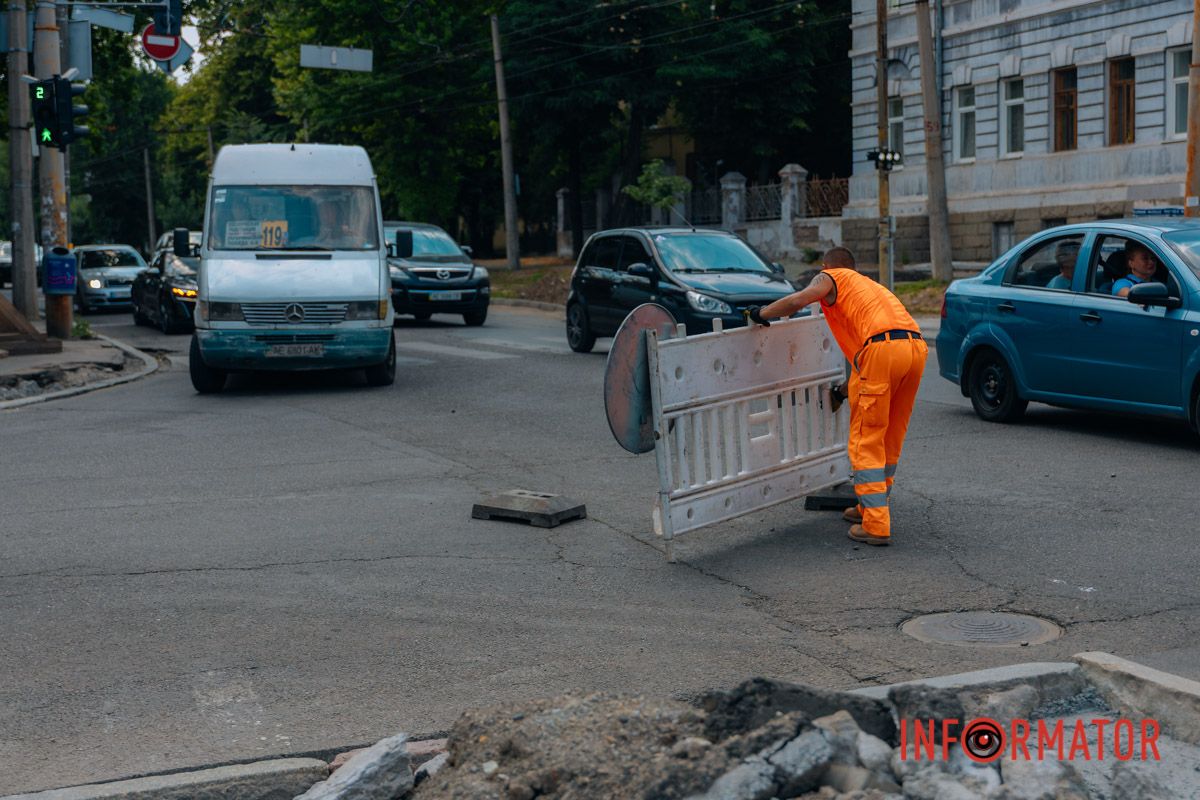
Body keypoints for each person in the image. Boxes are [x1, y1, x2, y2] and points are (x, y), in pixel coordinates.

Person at [745, 247, 927, 547]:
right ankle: (870, 506)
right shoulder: (868, 287)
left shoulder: (830, 277)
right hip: (914, 347)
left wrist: (760, 314)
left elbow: (797, 300)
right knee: (889, 436)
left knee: (866, 439)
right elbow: (867, 364)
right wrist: (842, 392)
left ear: (826, 266)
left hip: (881, 350)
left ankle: (876, 525)